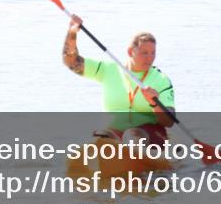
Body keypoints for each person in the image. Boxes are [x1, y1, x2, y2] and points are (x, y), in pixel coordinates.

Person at [63, 15, 175, 145]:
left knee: (131, 136)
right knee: (99, 137)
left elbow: (169, 121)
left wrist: (155, 104)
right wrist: (72, 33)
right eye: (144, 53)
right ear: (130, 51)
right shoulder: (108, 69)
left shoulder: (161, 80)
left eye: (153, 53)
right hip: (113, 132)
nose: (149, 58)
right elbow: (72, 62)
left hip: (148, 134)